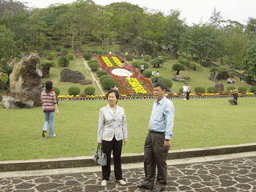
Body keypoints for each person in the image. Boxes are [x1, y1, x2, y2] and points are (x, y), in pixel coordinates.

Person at [137, 82, 174, 192]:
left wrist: (167, 138)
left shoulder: (168, 104)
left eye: (157, 90)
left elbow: (169, 122)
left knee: (160, 161)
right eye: (154, 90)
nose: (155, 92)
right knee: (148, 159)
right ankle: (148, 181)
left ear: (163, 91)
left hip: (160, 136)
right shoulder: (155, 102)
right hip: (150, 135)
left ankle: (161, 183)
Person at [97, 90, 128, 187]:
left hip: (118, 137)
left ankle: (119, 177)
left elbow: (124, 124)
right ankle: (105, 178)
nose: (111, 98)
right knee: (105, 158)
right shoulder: (103, 110)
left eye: (113, 97)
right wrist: (99, 139)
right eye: (109, 97)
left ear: (117, 98)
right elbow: (100, 125)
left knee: (117, 158)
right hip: (106, 137)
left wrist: (125, 136)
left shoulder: (121, 109)